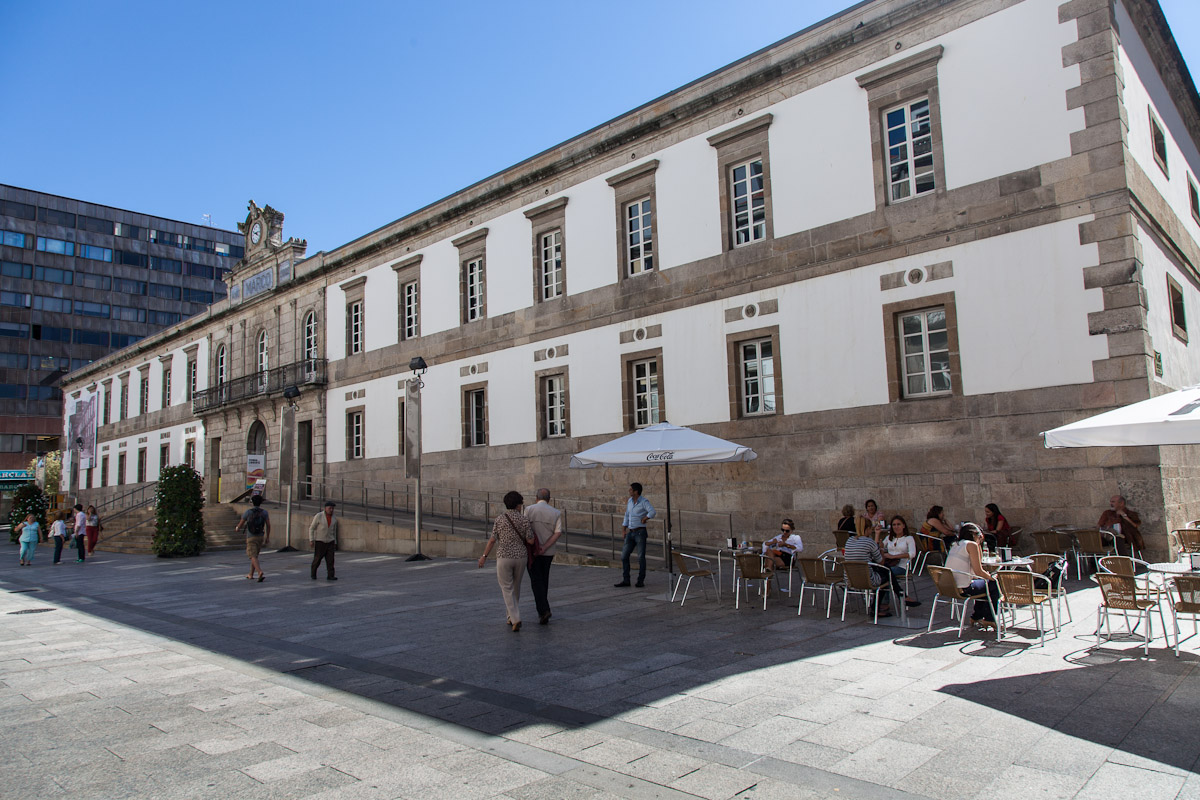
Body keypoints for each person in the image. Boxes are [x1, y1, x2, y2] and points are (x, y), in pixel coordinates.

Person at [477, 490, 536, 632]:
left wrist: (484, 556)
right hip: (520, 556)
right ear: (518, 504)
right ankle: (510, 616)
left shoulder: (500, 519)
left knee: (506, 588)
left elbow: (492, 540)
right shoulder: (524, 519)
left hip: (504, 556)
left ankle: (515, 618)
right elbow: (531, 540)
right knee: (516, 587)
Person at [944, 524, 999, 630]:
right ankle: (990, 618)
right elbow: (979, 571)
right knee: (993, 584)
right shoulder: (971, 545)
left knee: (983, 585)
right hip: (963, 588)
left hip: (949, 587)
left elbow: (975, 571)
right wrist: (992, 577)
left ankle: (977, 616)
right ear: (975, 534)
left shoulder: (955, 544)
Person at [525, 488, 563, 625]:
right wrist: (545, 547)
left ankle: (543, 610)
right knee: (544, 579)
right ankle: (543, 609)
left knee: (536, 581)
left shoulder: (528, 510)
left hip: (532, 551)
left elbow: (525, 529)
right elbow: (558, 533)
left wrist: (536, 546)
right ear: (549, 499)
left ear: (536, 498)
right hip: (548, 552)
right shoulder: (556, 512)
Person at [842, 525, 893, 617]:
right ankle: (875, 608)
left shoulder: (849, 540)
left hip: (850, 580)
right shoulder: (869, 542)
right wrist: (881, 548)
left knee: (883, 572)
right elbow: (880, 561)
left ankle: (902, 595)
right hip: (867, 580)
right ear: (868, 529)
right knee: (886, 575)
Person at [615, 482, 656, 588]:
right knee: (624, 556)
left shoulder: (644, 501)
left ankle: (640, 580)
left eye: (631, 490)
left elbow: (652, 512)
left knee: (641, 557)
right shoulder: (629, 501)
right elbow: (627, 515)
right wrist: (624, 529)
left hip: (640, 532)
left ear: (636, 491)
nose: (629, 491)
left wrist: (645, 518)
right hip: (631, 532)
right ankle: (626, 579)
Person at [880, 515, 920, 608]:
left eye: (898, 524)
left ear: (903, 526)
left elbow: (912, 554)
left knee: (885, 573)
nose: (896, 527)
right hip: (889, 565)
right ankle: (901, 595)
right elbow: (880, 548)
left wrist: (894, 556)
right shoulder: (889, 538)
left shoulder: (908, 538)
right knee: (884, 573)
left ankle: (884, 603)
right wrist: (878, 535)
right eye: (894, 525)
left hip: (902, 566)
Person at [235, 495, 271, 582]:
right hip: (260, 536)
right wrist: (267, 537)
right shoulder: (264, 512)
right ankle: (250, 574)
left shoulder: (248, 512)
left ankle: (259, 572)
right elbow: (268, 525)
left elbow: (241, 523)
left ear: (252, 502)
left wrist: (237, 528)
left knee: (252, 556)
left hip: (251, 536)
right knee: (255, 555)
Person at [308, 500, 338, 581]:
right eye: (329, 508)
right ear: (325, 508)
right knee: (317, 559)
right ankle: (313, 573)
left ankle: (331, 575)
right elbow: (312, 528)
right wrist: (311, 539)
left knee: (330, 560)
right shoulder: (319, 516)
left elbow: (334, 531)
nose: (331, 510)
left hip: (330, 540)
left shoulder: (334, 518)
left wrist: (335, 542)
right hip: (320, 540)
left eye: (332, 508)